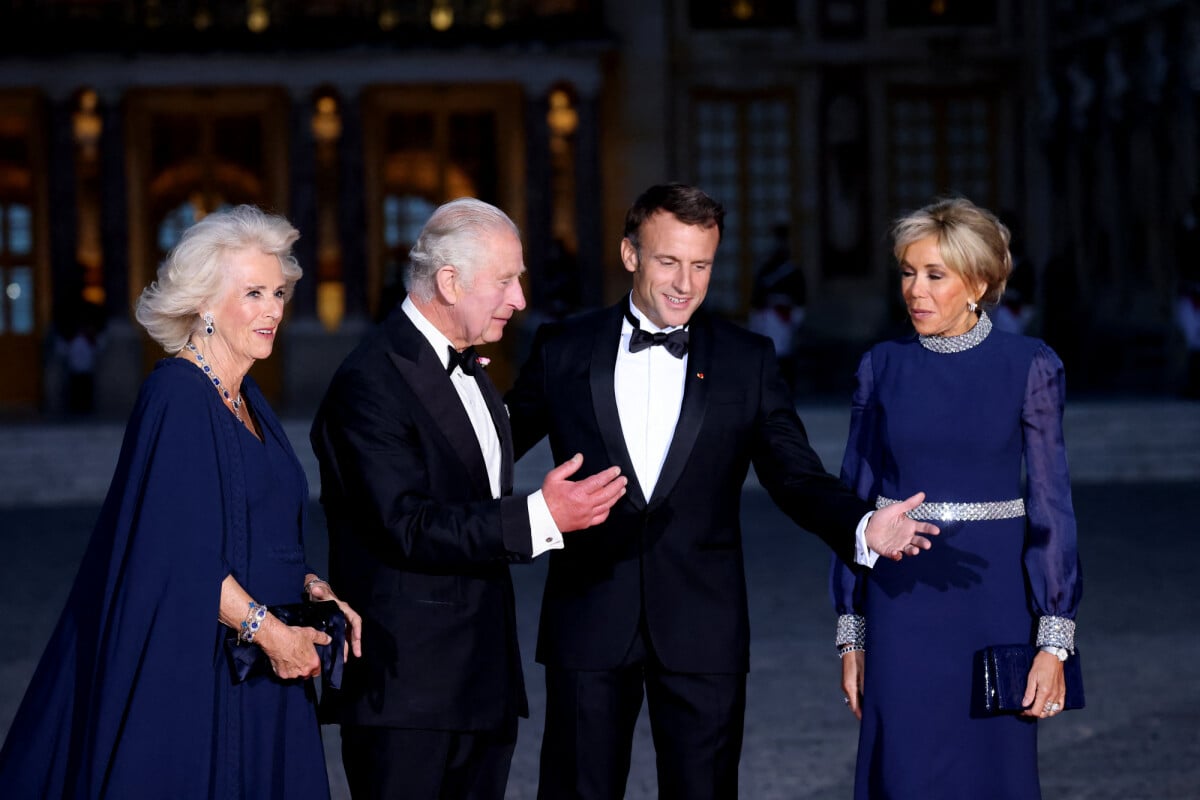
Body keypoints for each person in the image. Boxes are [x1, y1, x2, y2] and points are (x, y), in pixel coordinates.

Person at [504, 182, 940, 800]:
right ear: (630, 255)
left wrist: (862, 525)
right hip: (589, 622)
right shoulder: (563, 348)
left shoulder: (747, 359)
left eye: (701, 265)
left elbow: (795, 475)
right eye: (668, 261)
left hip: (703, 628)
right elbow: (489, 450)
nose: (685, 283)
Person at [0, 204, 362, 798]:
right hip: (204, 674)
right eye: (253, 293)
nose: (273, 309)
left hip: (268, 665)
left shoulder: (247, 398)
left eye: (277, 291)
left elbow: (249, 525)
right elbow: (176, 552)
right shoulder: (176, 395)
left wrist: (306, 586)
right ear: (203, 303)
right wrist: (271, 634)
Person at [308, 197, 627, 800]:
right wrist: (541, 515)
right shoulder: (370, 380)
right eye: (506, 281)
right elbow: (404, 524)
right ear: (449, 282)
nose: (520, 299)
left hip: (480, 689)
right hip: (407, 696)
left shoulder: (472, 367)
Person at [829, 197, 1082, 799]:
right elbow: (851, 504)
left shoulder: (1030, 365)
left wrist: (1054, 642)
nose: (915, 290)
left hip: (993, 602)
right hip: (899, 602)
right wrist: (852, 635)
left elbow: (1052, 506)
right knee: (904, 769)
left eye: (934, 275)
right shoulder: (881, 367)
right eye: (908, 272)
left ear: (981, 282)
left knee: (993, 773)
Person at [748, 223, 807, 393]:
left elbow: (800, 297)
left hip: (783, 317)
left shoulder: (792, 271)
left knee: (784, 353)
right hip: (767, 317)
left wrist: (796, 317)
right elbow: (757, 296)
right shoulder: (765, 270)